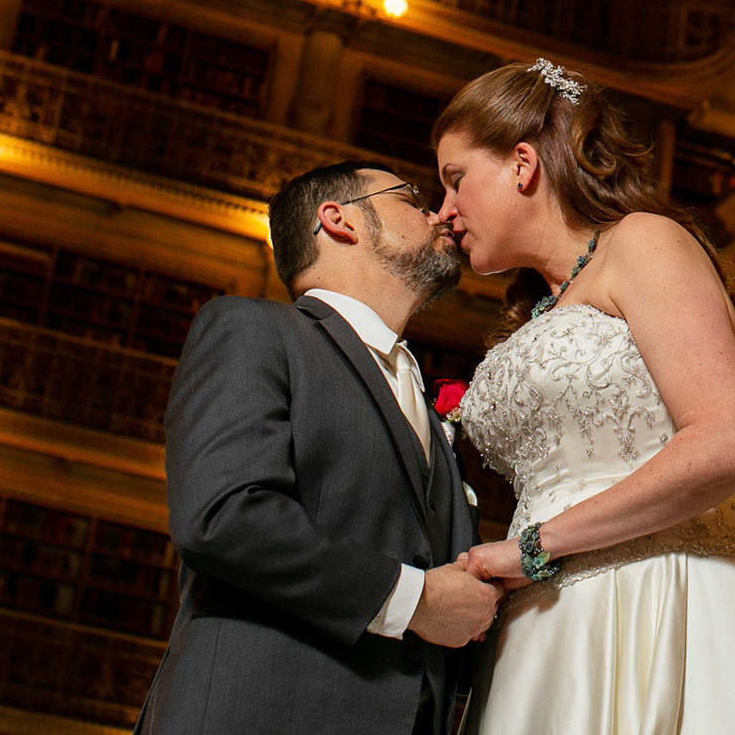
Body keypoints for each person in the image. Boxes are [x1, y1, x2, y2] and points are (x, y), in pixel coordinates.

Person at [435, 59, 735, 734]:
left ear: (522, 164)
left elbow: (730, 442)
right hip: (547, 625)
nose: (444, 211)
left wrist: (535, 547)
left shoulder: (644, 242)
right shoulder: (539, 307)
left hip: (657, 597)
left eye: (456, 179)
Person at [135, 161, 499, 735]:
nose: (439, 214)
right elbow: (223, 516)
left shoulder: (425, 404)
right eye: (411, 199)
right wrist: (415, 600)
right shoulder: (252, 329)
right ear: (338, 220)